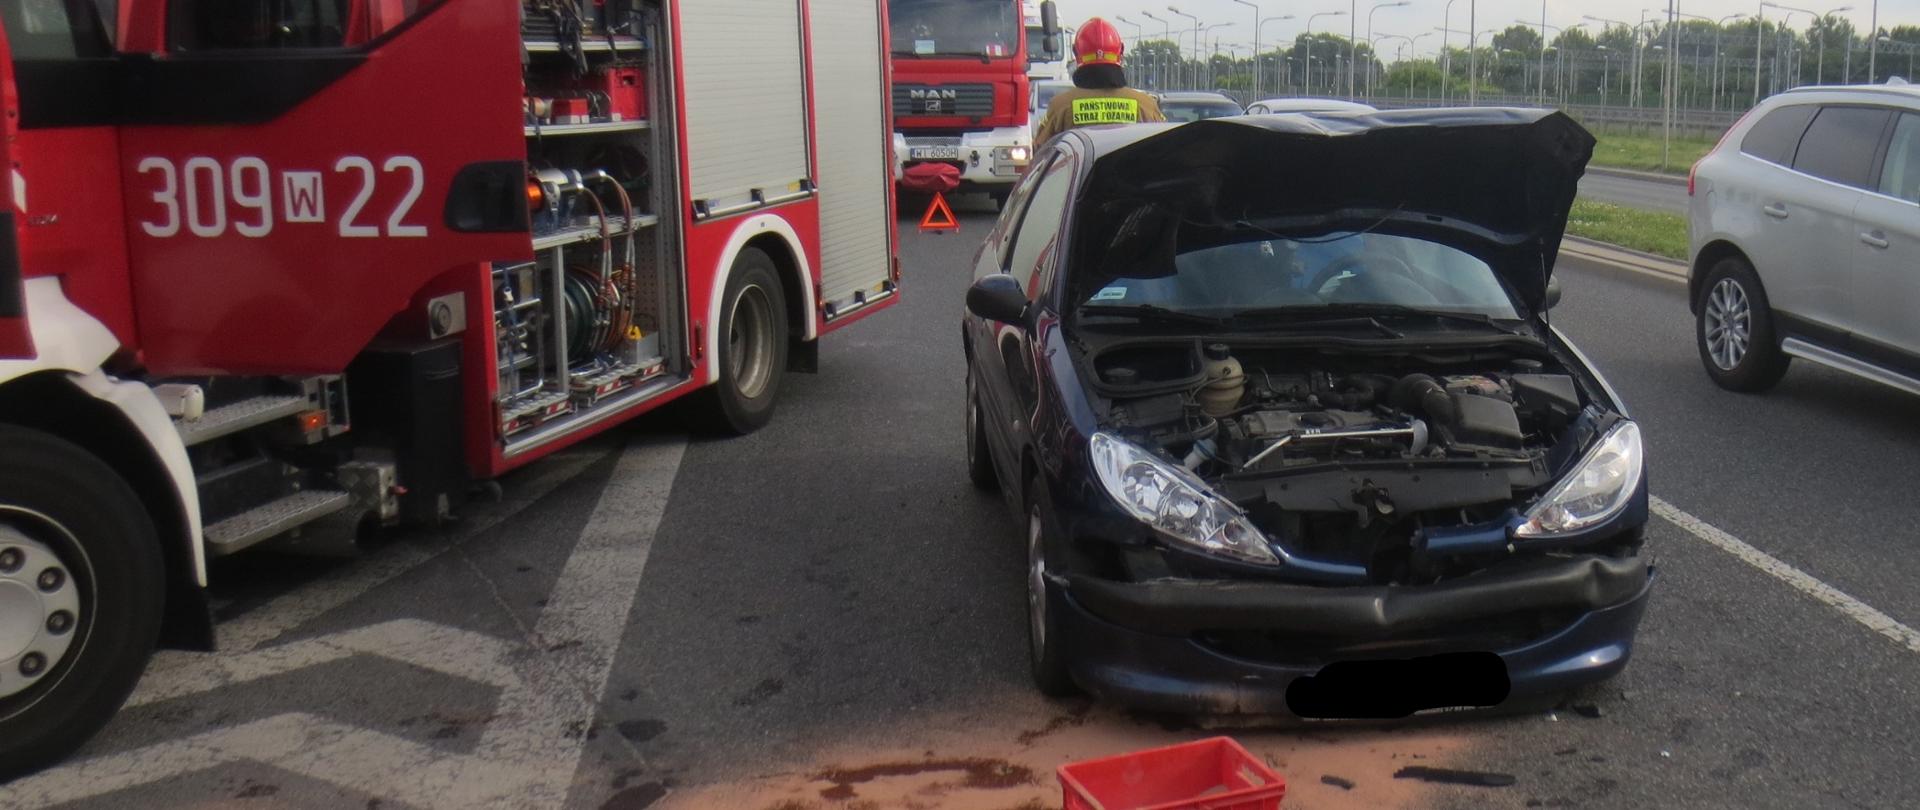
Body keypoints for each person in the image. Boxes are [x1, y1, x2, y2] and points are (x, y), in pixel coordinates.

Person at [1032, 18, 1165, 145]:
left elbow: (1041, 152)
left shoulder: (1060, 107)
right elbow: (1165, 147)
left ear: (1076, 53)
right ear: (1121, 52)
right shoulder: (1146, 105)